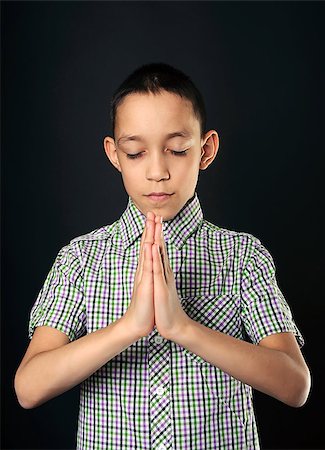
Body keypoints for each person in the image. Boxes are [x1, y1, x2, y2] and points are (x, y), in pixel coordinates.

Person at [14, 62, 311, 450]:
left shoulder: (243, 256)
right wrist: (130, 326)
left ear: (205, 150)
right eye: (136, 153)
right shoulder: (80, 259)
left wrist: (182, 328)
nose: (157, 171)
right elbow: (28, 388)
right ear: (114, 154)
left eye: (176, 149)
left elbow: (295, 385)